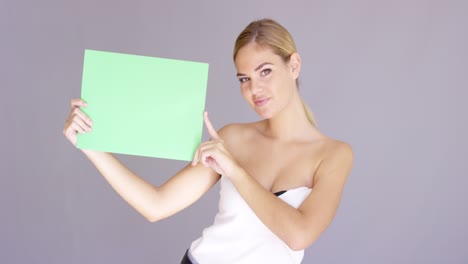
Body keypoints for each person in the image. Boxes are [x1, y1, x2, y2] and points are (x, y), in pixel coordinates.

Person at [63, 18, 353, 264]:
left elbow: (298, 234)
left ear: (294, 65)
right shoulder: (232, 138)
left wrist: (235, 170)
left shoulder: (333, 155)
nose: (255, 89)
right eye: (244, 79)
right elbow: (156, 205)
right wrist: (91, 145)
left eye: (265, 71)